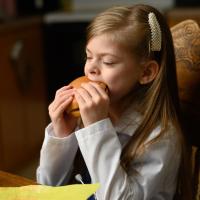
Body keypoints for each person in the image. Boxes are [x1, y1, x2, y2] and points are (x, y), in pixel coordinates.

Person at [36, 4, 192, 200]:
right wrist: (62, 134)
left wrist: (96, 129)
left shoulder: (160, 137)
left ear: (146, 72)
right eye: (88, 56)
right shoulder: (86, 114)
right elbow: (48, 187)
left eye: (108, 62)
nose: (91, 69)